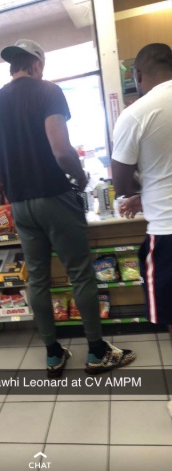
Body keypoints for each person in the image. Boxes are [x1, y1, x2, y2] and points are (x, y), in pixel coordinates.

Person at [0, 38, 135, 377]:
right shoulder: (47, 91)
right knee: (80, 273)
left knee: (37, 279)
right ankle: (95, 351)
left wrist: (17, 188)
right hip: (54, 195)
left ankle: (52, 353)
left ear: (13, 66)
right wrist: (79, 177)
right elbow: (61, 149)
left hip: (20, 204)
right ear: (37, 65)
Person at [111, 43, 172, 410]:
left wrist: (139, 193)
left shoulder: (138, 113)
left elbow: (121, 183)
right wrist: (148, 194)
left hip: (167, 231)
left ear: (137, 75)